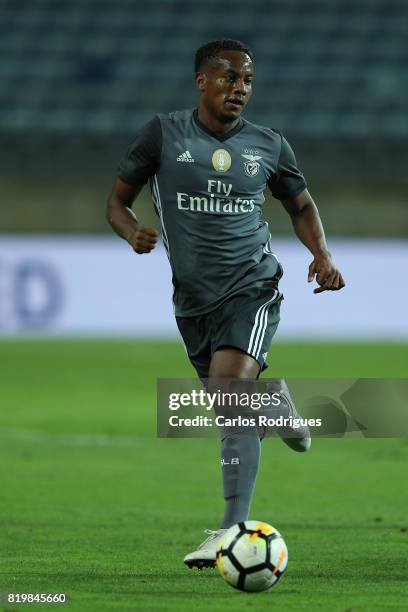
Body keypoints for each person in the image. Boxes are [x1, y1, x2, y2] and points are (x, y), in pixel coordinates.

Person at [106, 38, 345, 569]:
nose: (239, 88)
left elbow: (301, 205)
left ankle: (232, 529)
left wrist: (322, 256)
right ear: (201, 80)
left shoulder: (269, 145)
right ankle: (273, 402)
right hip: (193, 303)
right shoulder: (163, 135)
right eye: (229, 77)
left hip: (252, 286)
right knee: (229, 402)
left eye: (247, 81)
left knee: (232, 394)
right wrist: (130, 232)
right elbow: (117, 201)